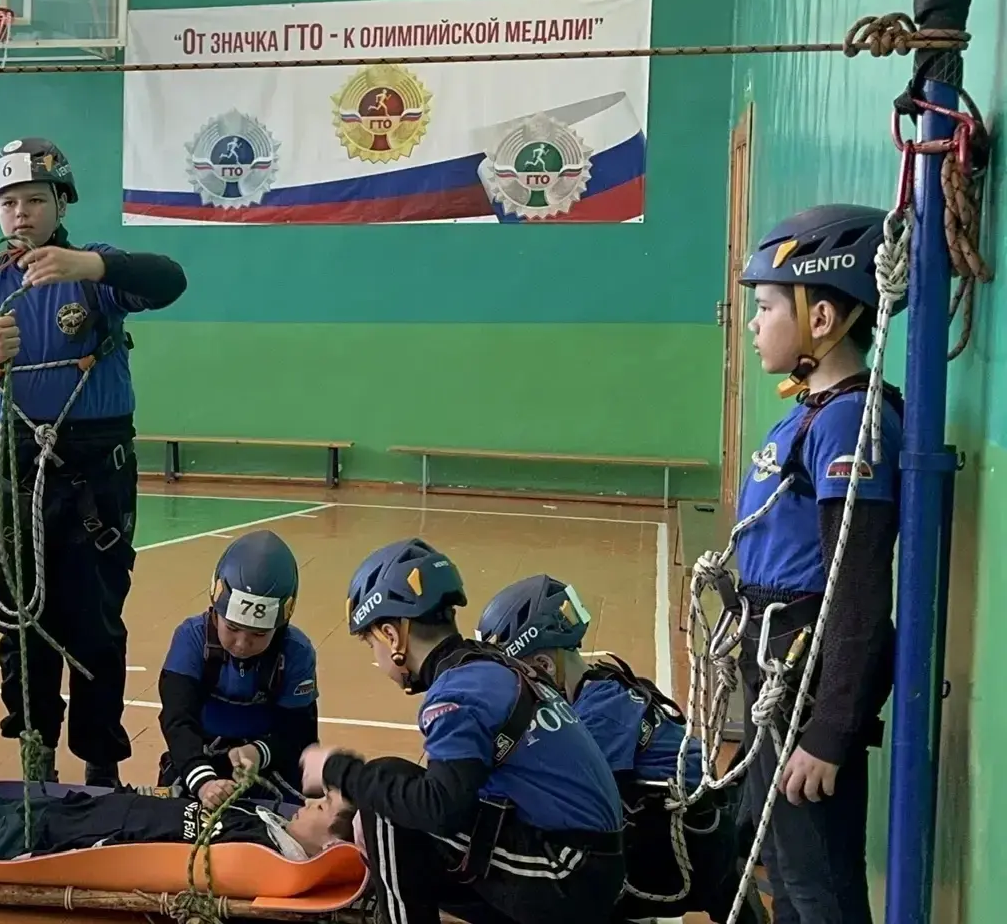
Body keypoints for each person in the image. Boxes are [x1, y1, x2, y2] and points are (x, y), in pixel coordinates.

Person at [0, 137, 187, 788]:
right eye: (9, 202)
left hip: (93, 475)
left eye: (35, 200)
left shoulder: (97, 274)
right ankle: (35, 757)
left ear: (60, 204)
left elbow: (170, 280)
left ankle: (100, 766)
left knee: (95, 625)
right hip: (11, 474)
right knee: (22, 628)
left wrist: (90, 268)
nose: (21, 214)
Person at [727, 203, 905, 924]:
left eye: (766, 307)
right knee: (782, 864)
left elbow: (856, 587)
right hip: (775, 669)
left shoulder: (847, 420)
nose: (753, 323)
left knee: (816, 883)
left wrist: (830, 730)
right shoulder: (812, 409)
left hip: (804, 679)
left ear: (822, 318)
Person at [301, 537, 626, 924]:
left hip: (568, 875)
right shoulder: (493, 666)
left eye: (371, 643)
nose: (377, 656)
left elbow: (441, 809)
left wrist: (339, 770)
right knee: (396, 792)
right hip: (591, 867)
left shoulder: (458, 691)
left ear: (392, 635)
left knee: (386, 799)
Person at [476, 574, 757, 923]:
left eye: (520, 679)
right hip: (709, 829)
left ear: (544, 667)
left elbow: (566, 801)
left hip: (687, 851)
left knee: (563, 864)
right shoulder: (607, 683)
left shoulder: (598, 718)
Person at [157, 529, 319, 805]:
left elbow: (300, 733)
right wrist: (203, 781)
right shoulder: (191, 639)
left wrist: (260, 752)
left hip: (269, 758)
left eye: (259, 634)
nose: (242, 644)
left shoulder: (297, 652)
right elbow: (177, 720)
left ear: (280, 626)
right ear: (215, 611)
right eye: (232, 628)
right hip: (197, 754)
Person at [0, 783, 359, 863]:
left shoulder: (264, 853)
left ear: (330, 846)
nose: (309, 802)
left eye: (321, 809)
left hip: (64, 835)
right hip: (80, 812)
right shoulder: (264, 819)